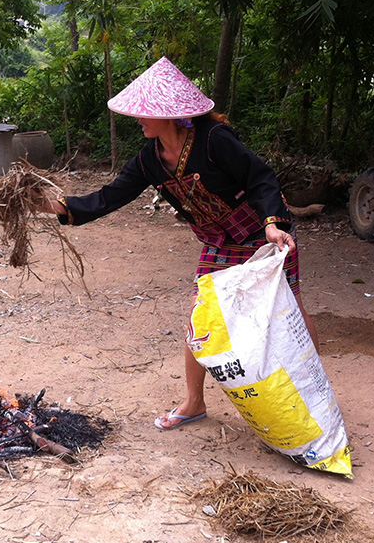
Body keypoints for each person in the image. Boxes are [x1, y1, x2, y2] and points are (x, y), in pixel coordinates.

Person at [38, 57, 318, 430]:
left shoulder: (215, 140)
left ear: (168, 115)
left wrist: (272, 223)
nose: (137, 119)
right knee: (199, 317)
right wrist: (59, 206)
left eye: (144, 112)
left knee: (290, 311)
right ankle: (194, 402)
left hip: (264, 231)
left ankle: (315, 394)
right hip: (219, 242)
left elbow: (261, 177)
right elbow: (109, 197)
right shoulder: (148, 160)